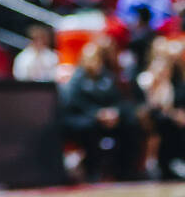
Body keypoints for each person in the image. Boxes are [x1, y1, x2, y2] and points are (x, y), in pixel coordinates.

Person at [60, 42, 142, 181]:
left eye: (97, 58)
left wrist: (115, 112)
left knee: (132, 123)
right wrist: (97, 114)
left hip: (109, 120)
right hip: (86, 119)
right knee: (89, 128)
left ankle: (126, 170)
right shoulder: (77, 79)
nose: (95, 62)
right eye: (92, 58)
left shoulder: (107, 77)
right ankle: (92, 171)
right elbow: (75, 104)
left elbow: (119, 100)